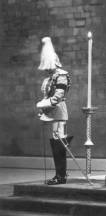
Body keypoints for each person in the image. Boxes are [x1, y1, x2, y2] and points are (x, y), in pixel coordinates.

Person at [36, 37, 72, 185]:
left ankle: (61, 175)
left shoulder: (61, 75)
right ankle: (60, 173)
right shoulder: (49, 78)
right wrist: (43, 109)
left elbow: (58, 96)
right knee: (56, 141)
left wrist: (44, 105)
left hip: (58, 110)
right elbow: (47, 96)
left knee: (59, 141)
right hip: (51, 111)